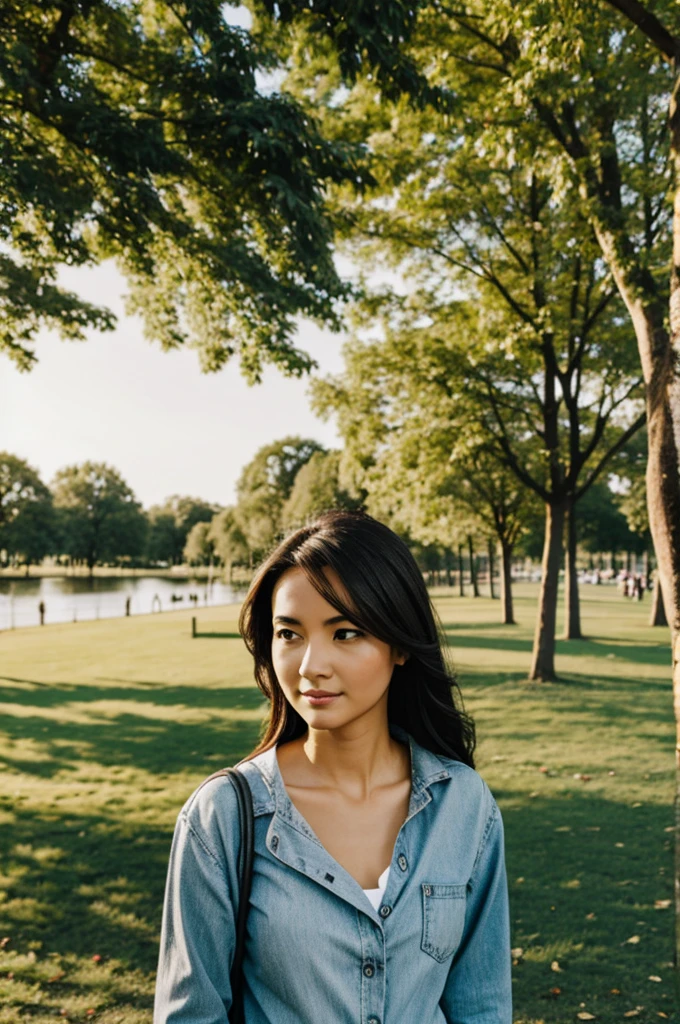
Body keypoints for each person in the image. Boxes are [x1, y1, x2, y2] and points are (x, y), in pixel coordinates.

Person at [154, 510, 512, 1024]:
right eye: (289, 633)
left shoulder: (464, 804)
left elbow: (482, 1006)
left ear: (401, 646)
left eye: (344, 633)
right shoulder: (222, 818)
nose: (309, 666)